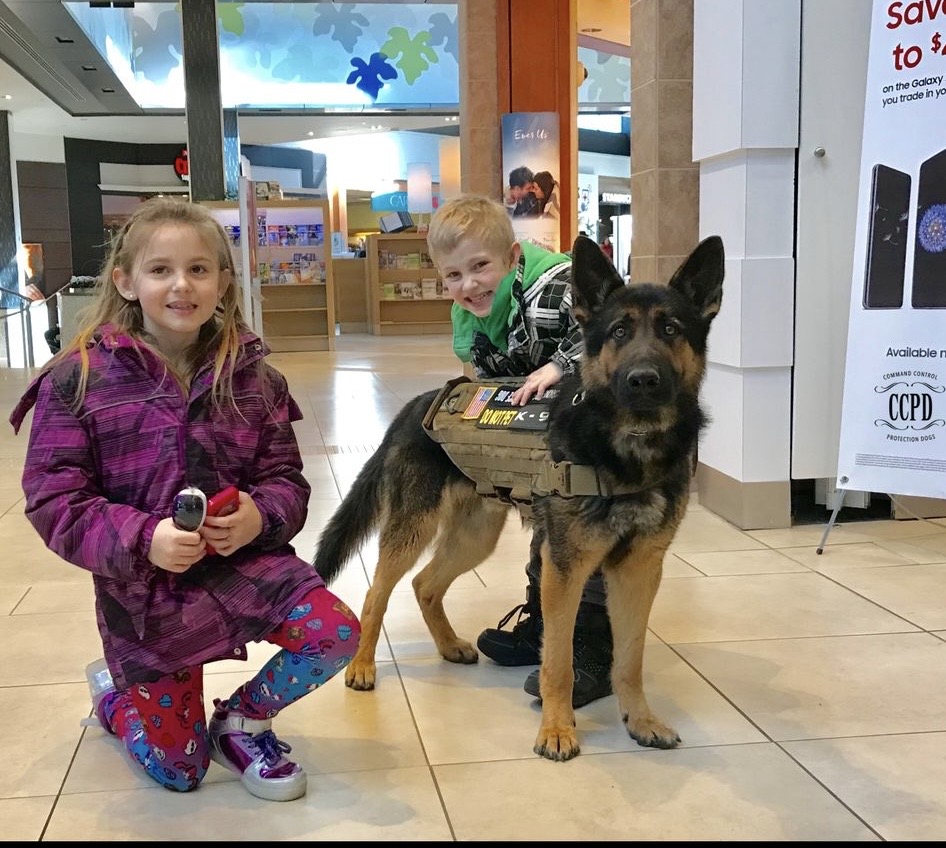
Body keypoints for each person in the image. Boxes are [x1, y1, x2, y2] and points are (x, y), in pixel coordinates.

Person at [9, 197, 361, 802]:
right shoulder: (77, 380)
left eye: (199, 269)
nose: (182, 285)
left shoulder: (257, 379)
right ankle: (121, 704)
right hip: (146, 593)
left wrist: (260, 517)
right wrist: (145, 539)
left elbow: (286, 480)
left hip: (245, 567)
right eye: (160, 270)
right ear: (125, 280)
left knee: (335, 632)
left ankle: (244, 723)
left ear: (224, 281)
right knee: (179, 772)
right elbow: (55, 500)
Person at [426, 193, 613, 708]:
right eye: (453, 276)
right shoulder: (470, 314)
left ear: (511, 258)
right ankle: (544, 620)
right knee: (546, 519)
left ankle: (593, 645)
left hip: (601, 435)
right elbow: (491, 375)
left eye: (480, 267)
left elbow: (609, 329)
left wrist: (560, 365)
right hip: (552, 433)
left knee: (585, 527)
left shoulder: (554, 289)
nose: (469, 286)